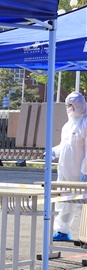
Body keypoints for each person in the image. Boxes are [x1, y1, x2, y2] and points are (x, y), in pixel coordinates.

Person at [50, 92, 87, 241]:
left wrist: (85, 171)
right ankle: (62, 230)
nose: (68, 108)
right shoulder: (67, 125)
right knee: (64, 202)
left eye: (70, 105)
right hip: (65, 171)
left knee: (82, 204)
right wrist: (53, 152)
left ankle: (84, 235)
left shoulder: (85, 123)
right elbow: (64, 146)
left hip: (80, 172)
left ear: (77, 105)